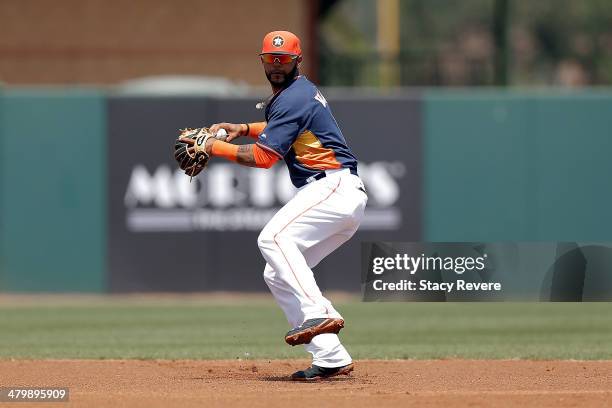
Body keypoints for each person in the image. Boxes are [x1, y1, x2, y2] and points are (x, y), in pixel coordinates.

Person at [199, 30, 367, 380]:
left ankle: (318, 311)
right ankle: (330, 354)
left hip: (333, 185)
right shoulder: (297, 95)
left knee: (272, 239)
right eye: (271, 59)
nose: (277, 65)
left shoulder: (293, 97)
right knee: (276, 271)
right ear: (262, 61)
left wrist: (214, 148)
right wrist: (243, 128)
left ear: (297, 61)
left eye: (284, 59)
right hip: (341, 194)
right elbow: (280, 128)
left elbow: (263, 158)